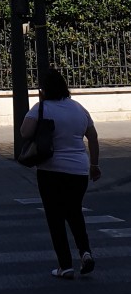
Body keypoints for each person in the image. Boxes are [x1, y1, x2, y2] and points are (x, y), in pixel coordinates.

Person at [20, 67, 101, 280]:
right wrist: (94, 165)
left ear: (44, 90)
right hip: (78, 170)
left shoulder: (41, 108)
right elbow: (93, 137)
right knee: (74, 212)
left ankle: (65, 266)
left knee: (55, 218)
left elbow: (24, 132)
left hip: (51, 170)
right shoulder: (79, 108)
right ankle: (85, 252)